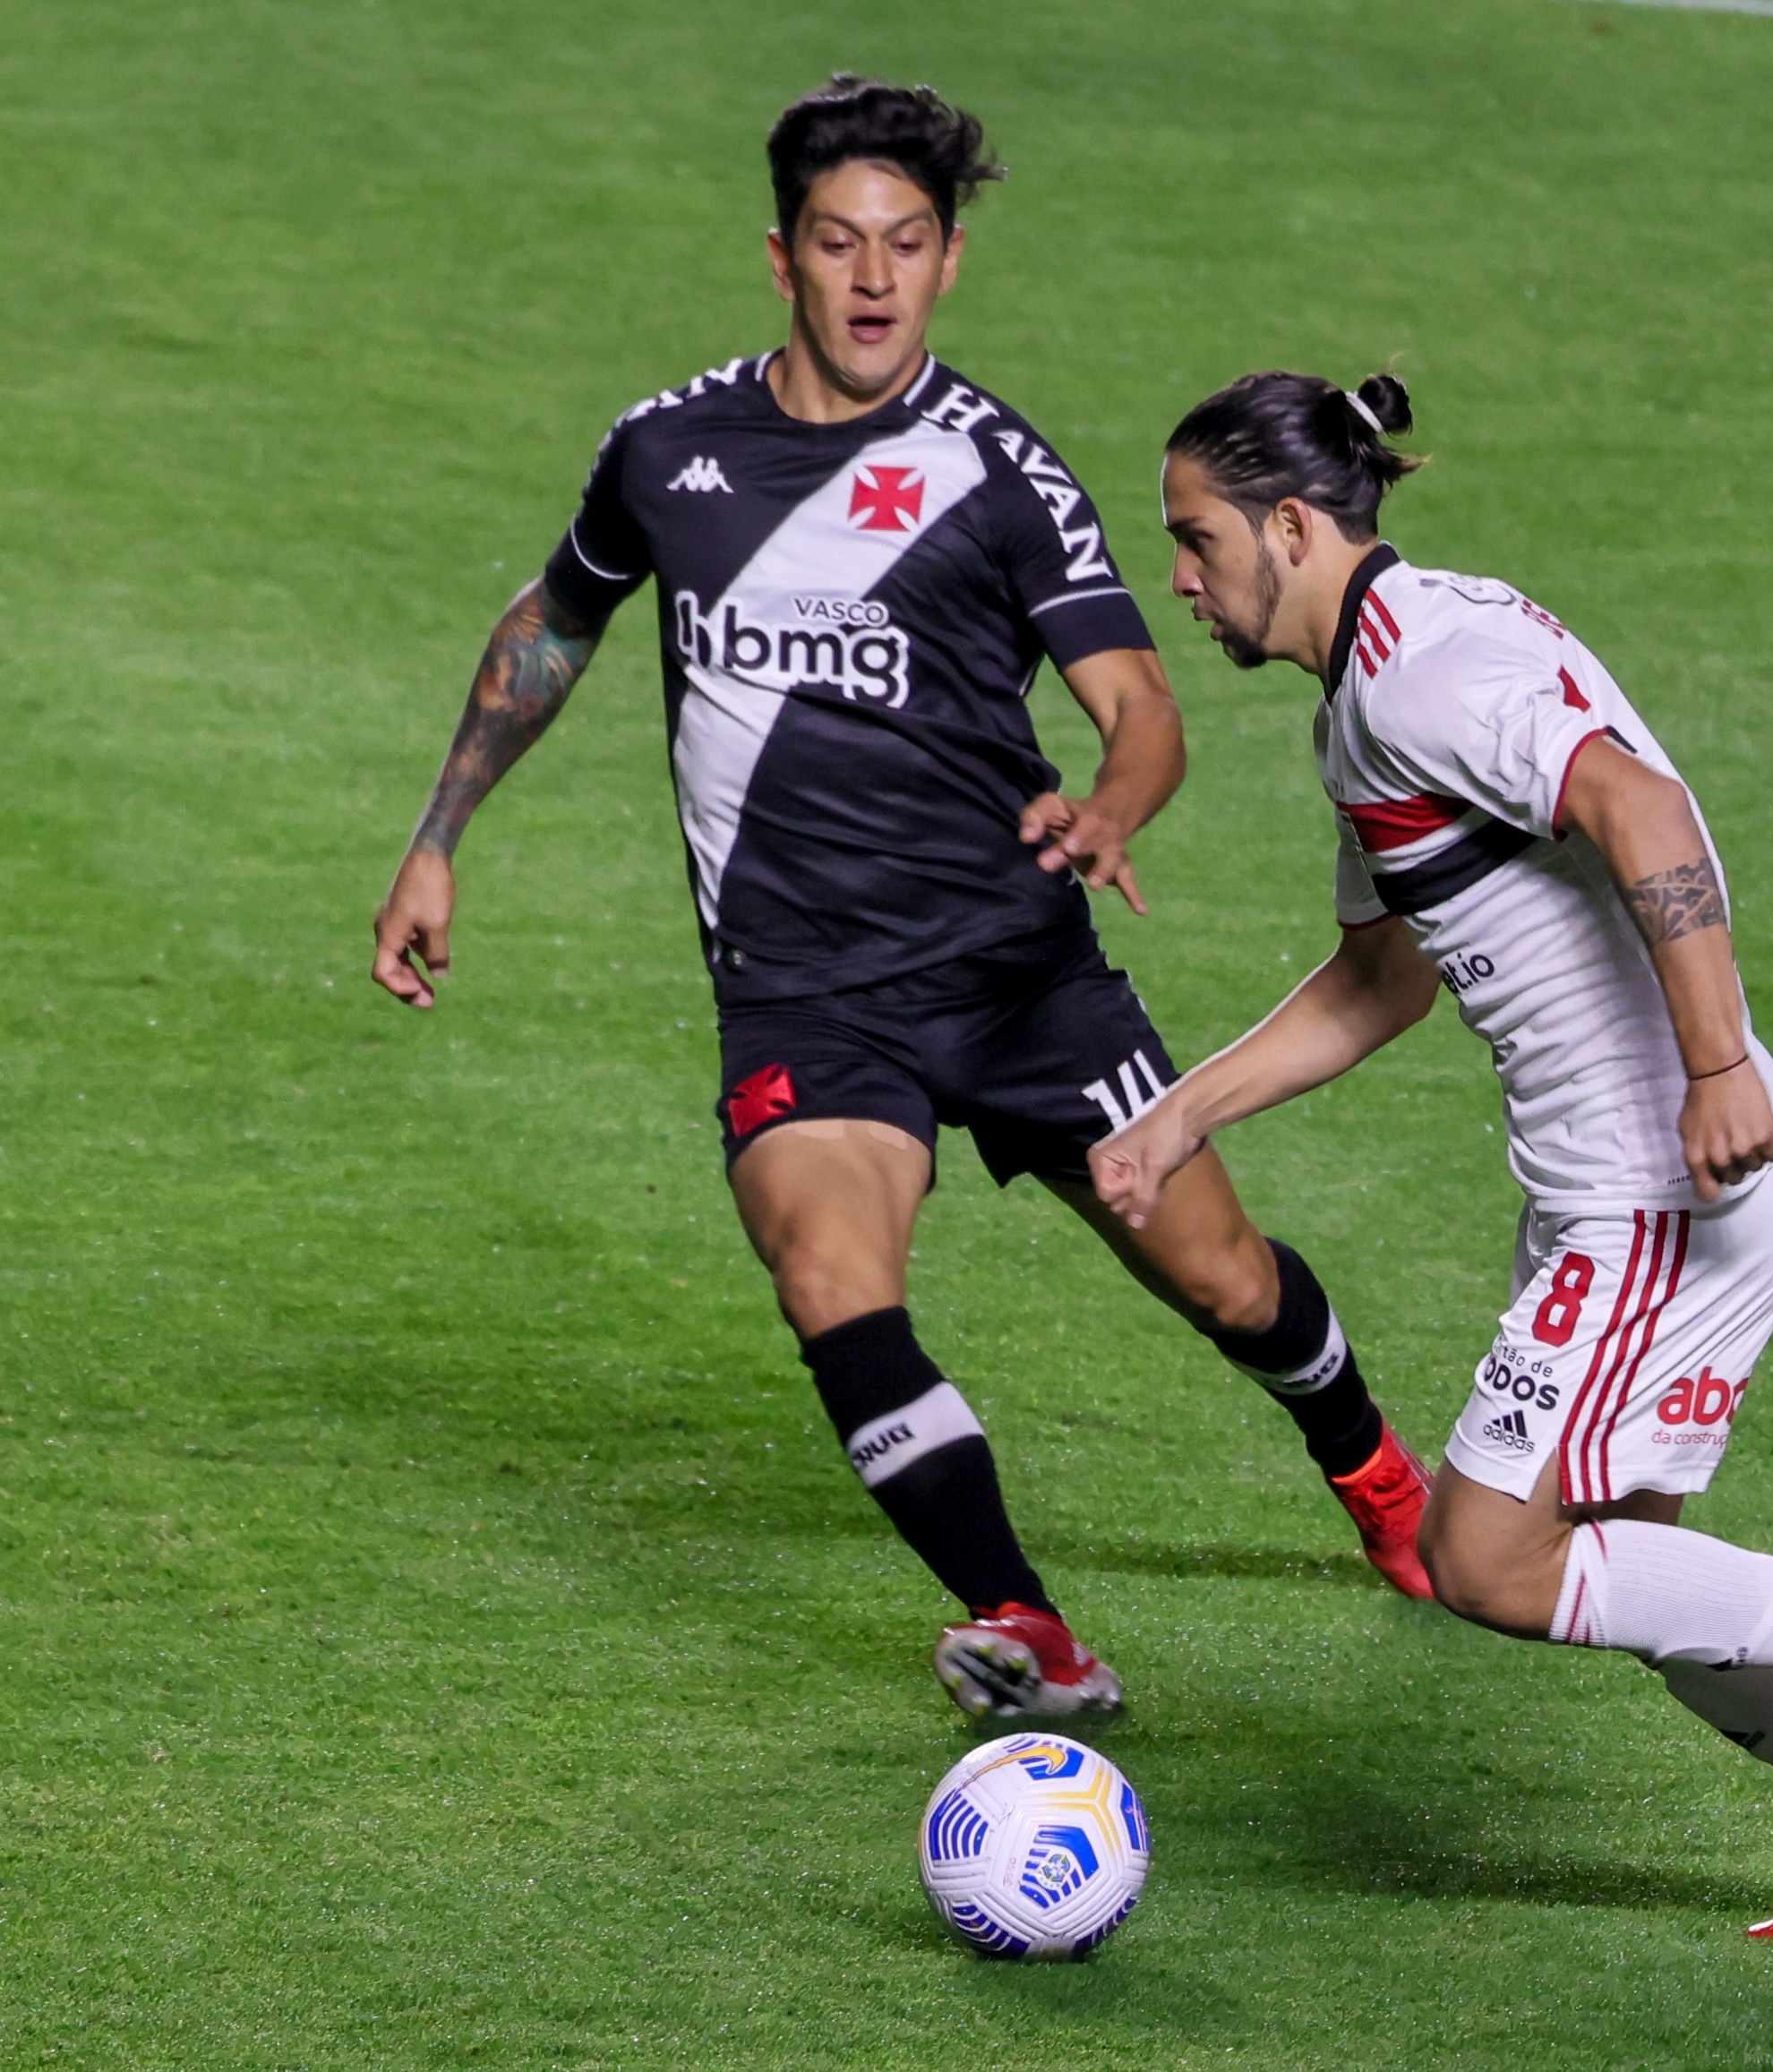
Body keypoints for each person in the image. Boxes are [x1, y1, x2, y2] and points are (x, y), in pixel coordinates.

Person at [369, 80, 1434, 1723]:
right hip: (803, 991)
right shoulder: (667, 450)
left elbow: (1140, 707)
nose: (873, 278)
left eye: (909, 244)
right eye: (838, 242)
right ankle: (1030, 1625)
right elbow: (556, 621)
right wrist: (443, 829)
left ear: (948, 263)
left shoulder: (996, 472)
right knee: (829, 1281)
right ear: (781, 256)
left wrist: (1113, 804)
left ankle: (1372, 1474)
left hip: (1019, 974)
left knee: (1223, 1276)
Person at [1090, 364, 1773, 1937]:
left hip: (1663, 1184)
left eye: (1195, 537)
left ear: (1293, 522)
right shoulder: (1371, 697)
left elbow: (1638, 805)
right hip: (1645, 1182)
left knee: (1491, 1555)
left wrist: (1716, 1063)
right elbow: (1386, 974)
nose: (1179, 577)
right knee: (1636, 1585)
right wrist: (1185, 1110)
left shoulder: (1424, 675)